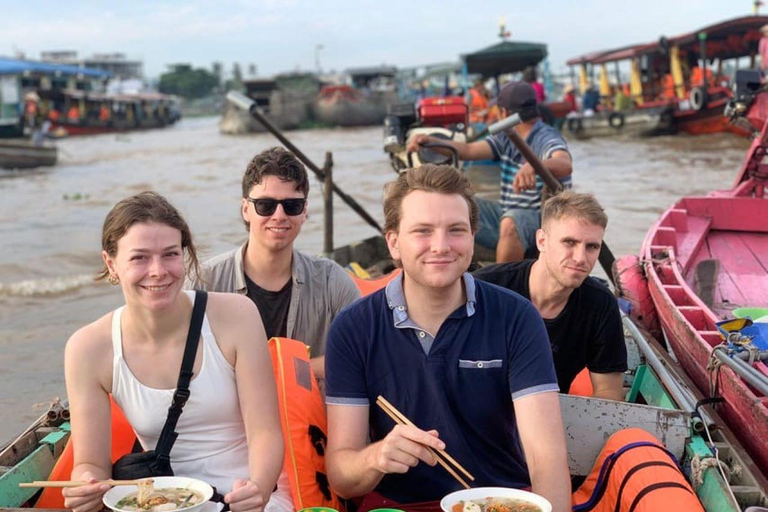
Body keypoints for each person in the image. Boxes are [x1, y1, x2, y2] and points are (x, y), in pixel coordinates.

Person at [324, 164, 571, 512]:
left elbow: (544, 455)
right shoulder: (353, 329)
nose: (441, 246)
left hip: (499, 500)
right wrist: (377, 457)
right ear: (393, 243)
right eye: (422, 231)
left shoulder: (516, 317)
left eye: (456, 230)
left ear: (472, 237)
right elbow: (341, 477)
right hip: (398, 505)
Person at [62, 191, 291, 512]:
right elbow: (89, 462)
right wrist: (85, 484)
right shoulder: (88, 348)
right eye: (139, 257)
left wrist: (259, 488)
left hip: (246, 494)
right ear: (111, 263)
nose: (158, 271)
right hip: (162, 502)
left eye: (170, 254)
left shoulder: (237, 316)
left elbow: (266, 432)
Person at [188, 147, 360, 384]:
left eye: (291, 206)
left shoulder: (333, 282)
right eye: (266, 205)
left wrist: (290, 369)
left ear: (305, 212)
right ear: (246, 209)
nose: (279, 216)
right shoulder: (203, 283)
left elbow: (364, 354)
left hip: (306, 418)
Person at [474, 191, 627, 401]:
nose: (581, 258)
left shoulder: (600, 305)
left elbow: (609, 392)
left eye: (592, 246)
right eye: (569, 242)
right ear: (541, 241)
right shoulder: (485, 287)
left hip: (549, 415)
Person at [407, 81, 572, 263]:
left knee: (511, 221)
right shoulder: (507, 135)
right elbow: (468, 151)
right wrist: (429, 141)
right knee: (451, 200)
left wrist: (533, 165)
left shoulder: (545, 136)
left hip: (543, 221)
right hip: (508, 212)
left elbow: (564, 163)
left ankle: (502, 284)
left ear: (504, 113)